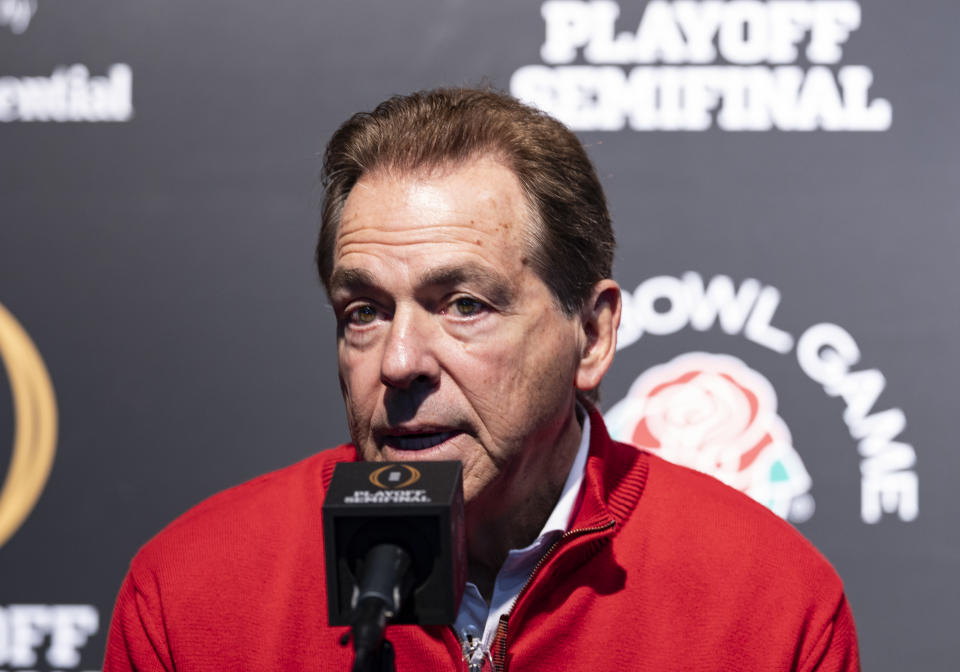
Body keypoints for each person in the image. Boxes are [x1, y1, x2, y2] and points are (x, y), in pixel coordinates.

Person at [104, 87, 860, 671]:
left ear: (591, 335)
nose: (398, 362)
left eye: (463, 305)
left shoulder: (765, 602)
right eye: (364, 311)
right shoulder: (193, 593)